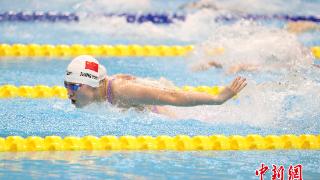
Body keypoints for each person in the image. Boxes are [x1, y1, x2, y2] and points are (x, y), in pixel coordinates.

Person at [64, 55, 247, 114]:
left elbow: (172, 97)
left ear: (91, 84)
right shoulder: (100, 88)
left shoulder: (122, 90)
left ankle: (217, 63)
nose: (68, 93)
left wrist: (218, 98)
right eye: (67, 85)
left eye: (73, 86)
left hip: (169, 109)